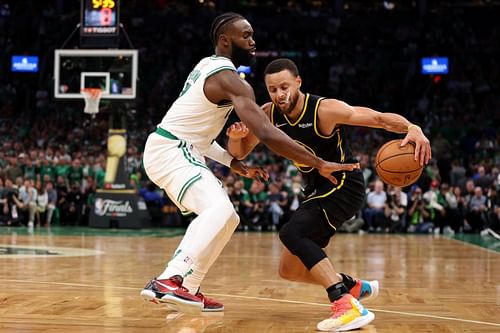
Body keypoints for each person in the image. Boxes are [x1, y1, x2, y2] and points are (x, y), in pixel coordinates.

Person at [140, 14, 359, 314]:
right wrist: (318, 162)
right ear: (225, 40)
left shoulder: (206, 65)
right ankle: (169, 279)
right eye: (246, 35)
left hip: (175, 148)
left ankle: (189, 287)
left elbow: (199, 137)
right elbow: (267, 133)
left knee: (228, 217)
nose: (253, 41)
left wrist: (235, 164)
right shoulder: (231, 81)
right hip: (173, 150)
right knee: (218, 209)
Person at [226, 58, 431, 331]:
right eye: (273, 89)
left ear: (298, 82)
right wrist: (237, 137)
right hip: (315, 188)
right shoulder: (266, 114)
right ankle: (353, 286)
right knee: (289, 270)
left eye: (284, 86)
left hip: (343, 182)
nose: (279, 94)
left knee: (291, 232)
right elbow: (239, 154)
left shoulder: (324, 110)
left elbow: (378, 119)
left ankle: (344, 302)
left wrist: (411, 128)